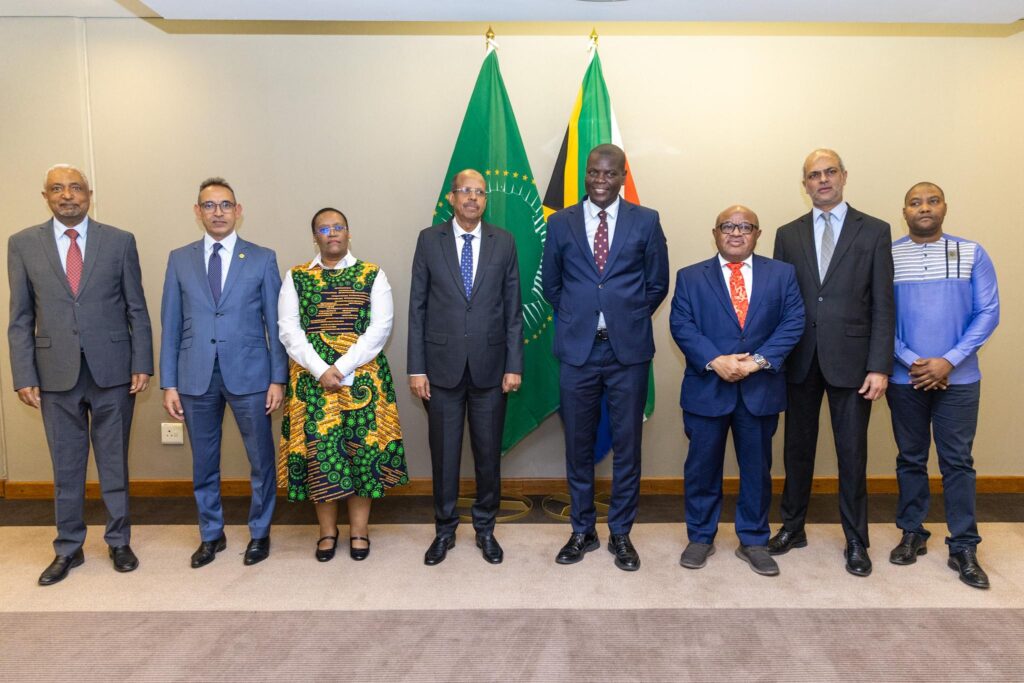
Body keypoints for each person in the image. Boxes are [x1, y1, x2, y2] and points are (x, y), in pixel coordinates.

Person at [8, 164, 153, 585]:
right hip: (54, 374)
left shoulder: (119, 241)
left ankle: (118, 541)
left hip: (113, 371)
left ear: (89, 194)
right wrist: (23, 374)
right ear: (45, 196)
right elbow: (19, 317)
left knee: (114, 463)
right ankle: (68, 548)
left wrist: (141, 362)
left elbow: (136, 308)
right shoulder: (22, 244)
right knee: (66, 467)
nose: (67, 195)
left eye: (75, 187)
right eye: (57, 188)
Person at [542, 143, 669, 572]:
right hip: (577, 351)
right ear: (586, 175)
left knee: (628, 446)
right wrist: (582, 319)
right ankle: (582, 530)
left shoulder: (646, 221)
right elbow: (553, 285)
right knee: (577, 444)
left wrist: (622, 319)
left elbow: (657, 284)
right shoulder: (560, 223)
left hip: (627, 353)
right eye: (594, 173)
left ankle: (621, 533)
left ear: (622, 176)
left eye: (609, 174)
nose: (600, 180)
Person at [769, 148, 894, 577]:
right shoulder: (788, 234)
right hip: (800, 360)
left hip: (855, 363)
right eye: (812, 175)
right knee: (796, 451)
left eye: (829, 172)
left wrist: (880, 365)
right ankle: (792, 527)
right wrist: (775, 356)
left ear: (844, 176)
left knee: (852, 454)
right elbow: (780, 302)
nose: (822, 180)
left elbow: (883, 304)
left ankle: (856, 540)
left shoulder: (875, 231)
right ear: (804, 184)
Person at [160, 177, 288, 568]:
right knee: (204, 462)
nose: (218, 212)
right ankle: (211, 534)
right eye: (210, 205)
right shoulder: (179, 259)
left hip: (251, 375)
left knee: (261, 460)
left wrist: (277, 378)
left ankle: (260, 533)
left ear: (238, 210)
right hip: (195, 375)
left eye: (225, 205)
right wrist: (168, 382)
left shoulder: (263, 258)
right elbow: (170, 322)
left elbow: (277, 321)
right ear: (197, 212)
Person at [670, 206, 804, 576]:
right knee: (701, 468)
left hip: (760, 389)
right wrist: (716, 360)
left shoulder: (782, 274)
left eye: (745, 226)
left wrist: (757, 361)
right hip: (707, 389)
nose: (735, 232)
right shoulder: (690, 277)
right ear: (715, 232)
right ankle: (700, 537)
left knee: (757, 470)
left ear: (757, 234)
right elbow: (681, 324)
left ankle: (754, 540)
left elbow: (794, 322)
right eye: (728, 226)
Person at [278, 207, 409, 562]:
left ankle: (360, 531)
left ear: (349, 233)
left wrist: (342, 365)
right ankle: (326, 533)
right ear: (315, 237)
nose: (332, 233)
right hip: (312, 383)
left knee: (360, 455)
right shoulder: (296, 276)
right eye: (324, 228)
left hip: (363, 380)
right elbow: (289, 331)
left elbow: (380, 329)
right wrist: (322, 369)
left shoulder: (372, 274)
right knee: (322, 456)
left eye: (338, 227)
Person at [408, 169, 523, 566]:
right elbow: (417, 308)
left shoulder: (503, 242)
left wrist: (514, 363)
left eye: (479, 192)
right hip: (440, 369)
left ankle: (485, 530)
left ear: (485, 200)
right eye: (465, 192)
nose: (472, 198)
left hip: (492, 370)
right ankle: (444, 531)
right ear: (452, 198)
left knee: (488, 454)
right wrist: (416, 368)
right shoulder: (429, 240)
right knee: (443, 454)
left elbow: (513, 309)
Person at [887, 182, 999, 589]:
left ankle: (964, 546)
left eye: (932, 201)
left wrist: (947, 361)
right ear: (904, 211)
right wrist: (912, 361)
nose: (924, 208)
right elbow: (878, 315)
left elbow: (988, 312)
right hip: (906, 377)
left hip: (960, 378)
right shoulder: (889, 255)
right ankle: (912, 532)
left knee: (957, 463)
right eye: (916, 202)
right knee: (910, 458)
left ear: (944, 207)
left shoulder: (972, 252)